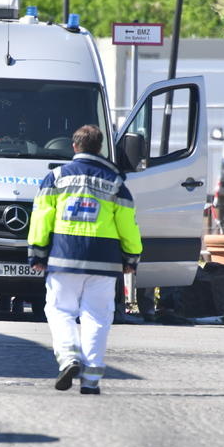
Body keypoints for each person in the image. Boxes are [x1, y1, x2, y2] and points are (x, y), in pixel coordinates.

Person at [27, 124, 142, 394]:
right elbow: (128, 224)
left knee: (60, 311)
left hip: (64, 256)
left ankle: (68, 358)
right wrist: (131, 257)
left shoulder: (56, 177)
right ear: (99, 147)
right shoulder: (115, 182)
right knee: (97, 318)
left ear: (74, 146)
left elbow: (41, 217)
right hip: (104, 259)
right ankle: (91, 380)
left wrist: (37, 252)